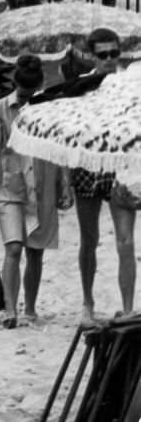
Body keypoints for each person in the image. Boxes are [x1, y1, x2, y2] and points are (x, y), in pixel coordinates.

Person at [0, 54, 72, 329]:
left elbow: (60, 148)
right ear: (15, 85)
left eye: (32, 94)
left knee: (35, 251)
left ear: (40, 84)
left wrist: (65, 185)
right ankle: (9, 309)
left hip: (43, 183)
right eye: (23, 94)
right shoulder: (1, 108)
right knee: (14, 248)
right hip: (9, 184)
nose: (27, 99)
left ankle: (29, 308)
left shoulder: (51, 107)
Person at [62, 28, 136, 325]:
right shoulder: (82, 86)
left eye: (114, 53)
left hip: (122, 168)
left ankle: (128, 309)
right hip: (88, 167)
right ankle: (88, 303)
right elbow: (69, 134)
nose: (109, 59)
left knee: (126, 241)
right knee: (89, 239)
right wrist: (66, 177)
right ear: (93, 56)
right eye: (103, 54)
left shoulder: (130, 86)